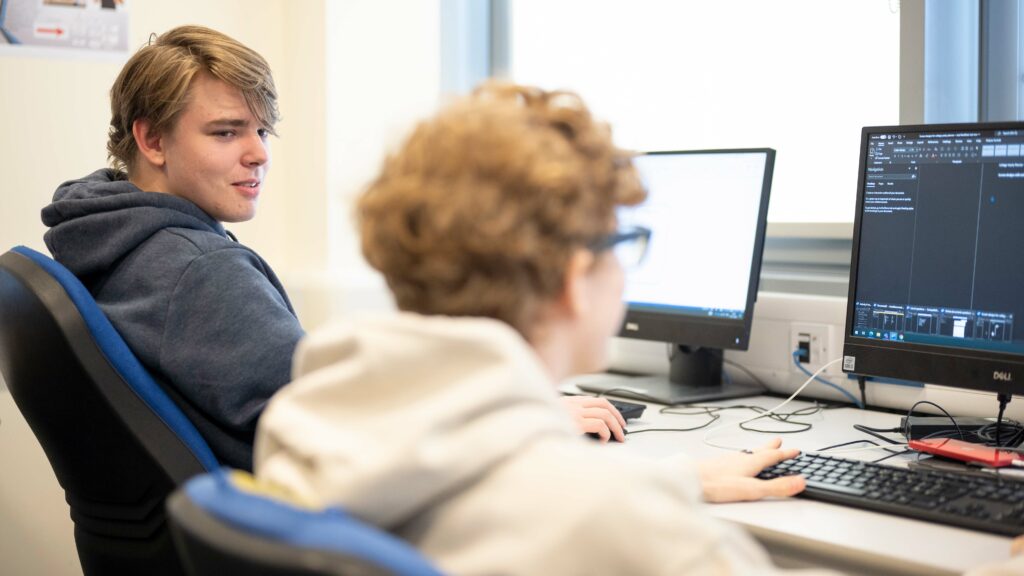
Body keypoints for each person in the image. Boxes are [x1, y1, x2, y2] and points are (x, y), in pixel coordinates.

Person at [255, 83, 1023, 574]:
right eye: (625, 244)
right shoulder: (629, 532)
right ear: (568, 277)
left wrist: (677, 477)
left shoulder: (313, 418)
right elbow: (567, 511)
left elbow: (498, 483)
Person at [41, 25, 304, 471]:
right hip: (280, 522)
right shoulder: (202, 271)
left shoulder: (106, 236)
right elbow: (330, 425)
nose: (258, 153)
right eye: (226, 132)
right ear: (153, 141)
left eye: (262, 131)